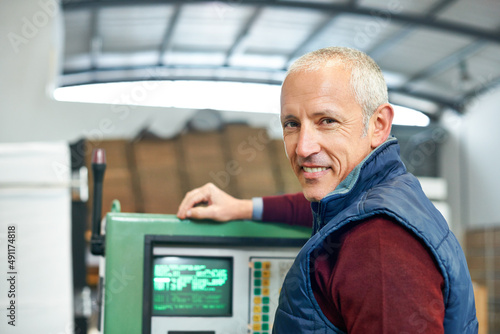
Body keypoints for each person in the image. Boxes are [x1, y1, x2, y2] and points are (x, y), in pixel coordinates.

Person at [177, 47, 477, 333]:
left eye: (327, 121)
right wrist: (240, 208)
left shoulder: (379, 241)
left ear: (378, 125)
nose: (304, 147)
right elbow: (328, 210)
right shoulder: (376, 196)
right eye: (292, 124)